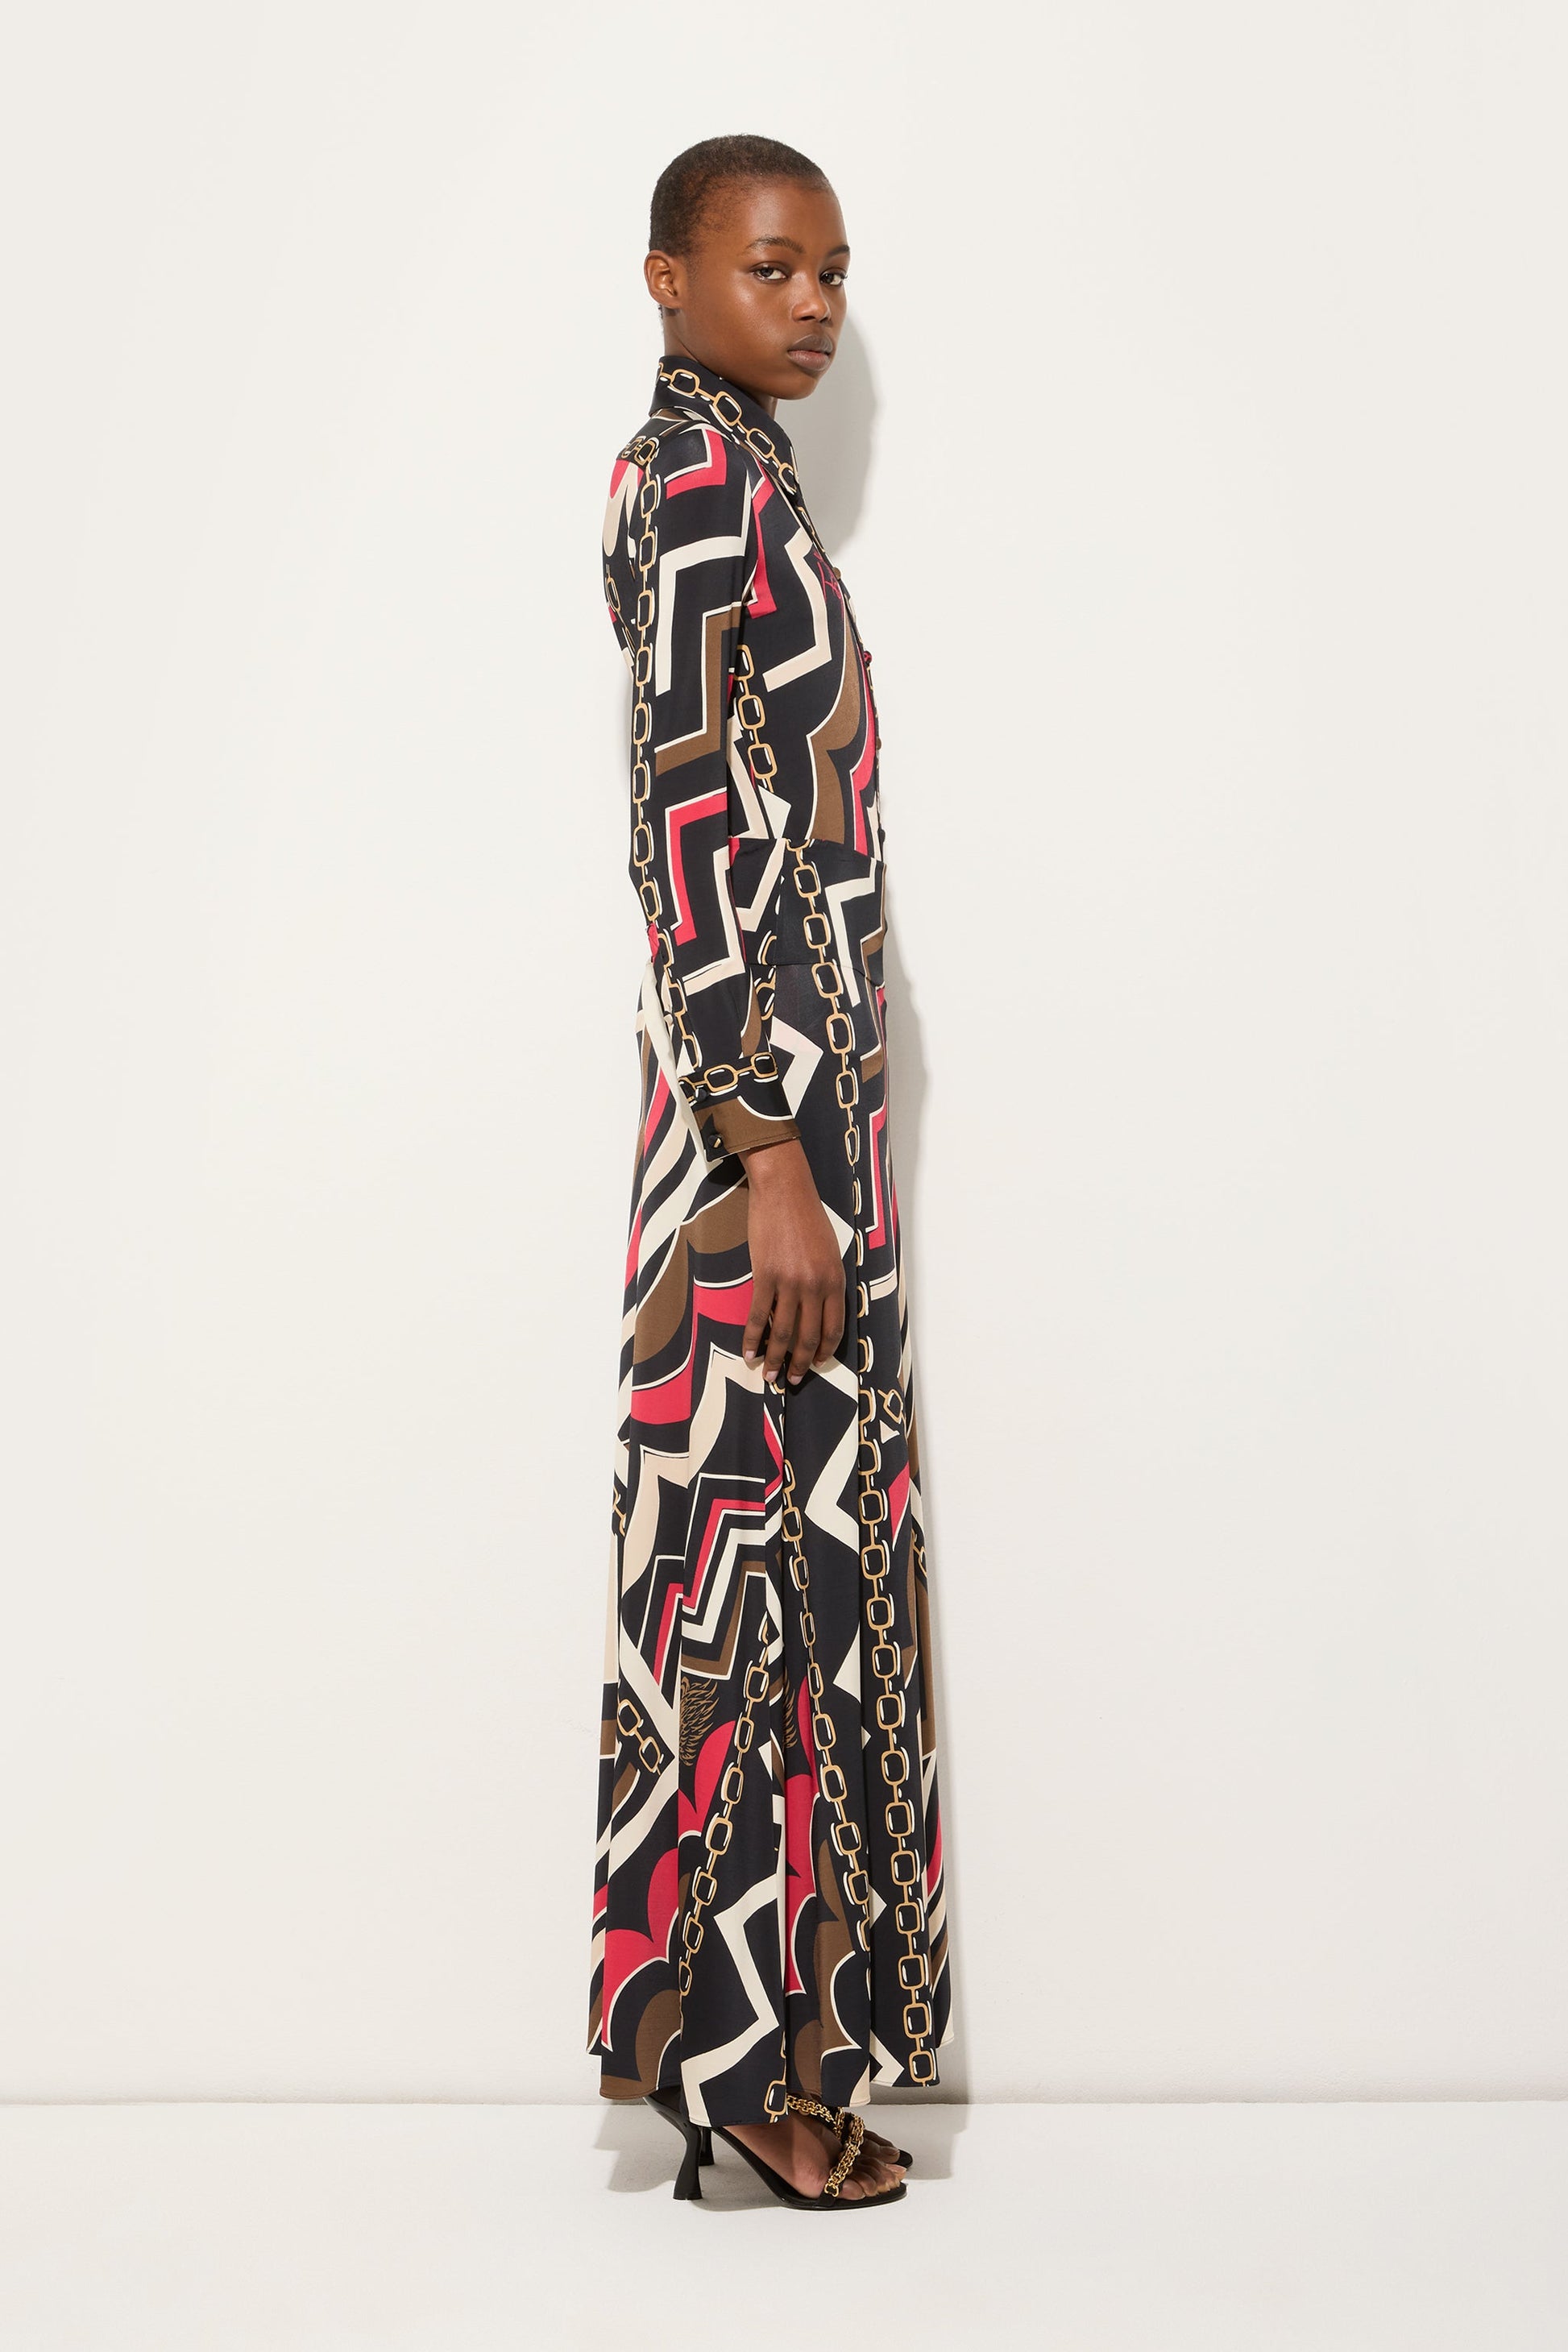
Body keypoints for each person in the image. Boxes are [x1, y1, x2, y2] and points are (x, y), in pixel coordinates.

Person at [587, 134, 952, 2210]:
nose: (814, 302)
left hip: (812, 1130)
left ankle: (784, 2057)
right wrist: (765, 1148)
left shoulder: (753, 478)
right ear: (670, 279)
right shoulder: (688, 483)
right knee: (757, 1584)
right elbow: (680, 827)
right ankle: (756, 2076)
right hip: (765, 1143)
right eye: (770, 266)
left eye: (832, 270)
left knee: (806, 1577)